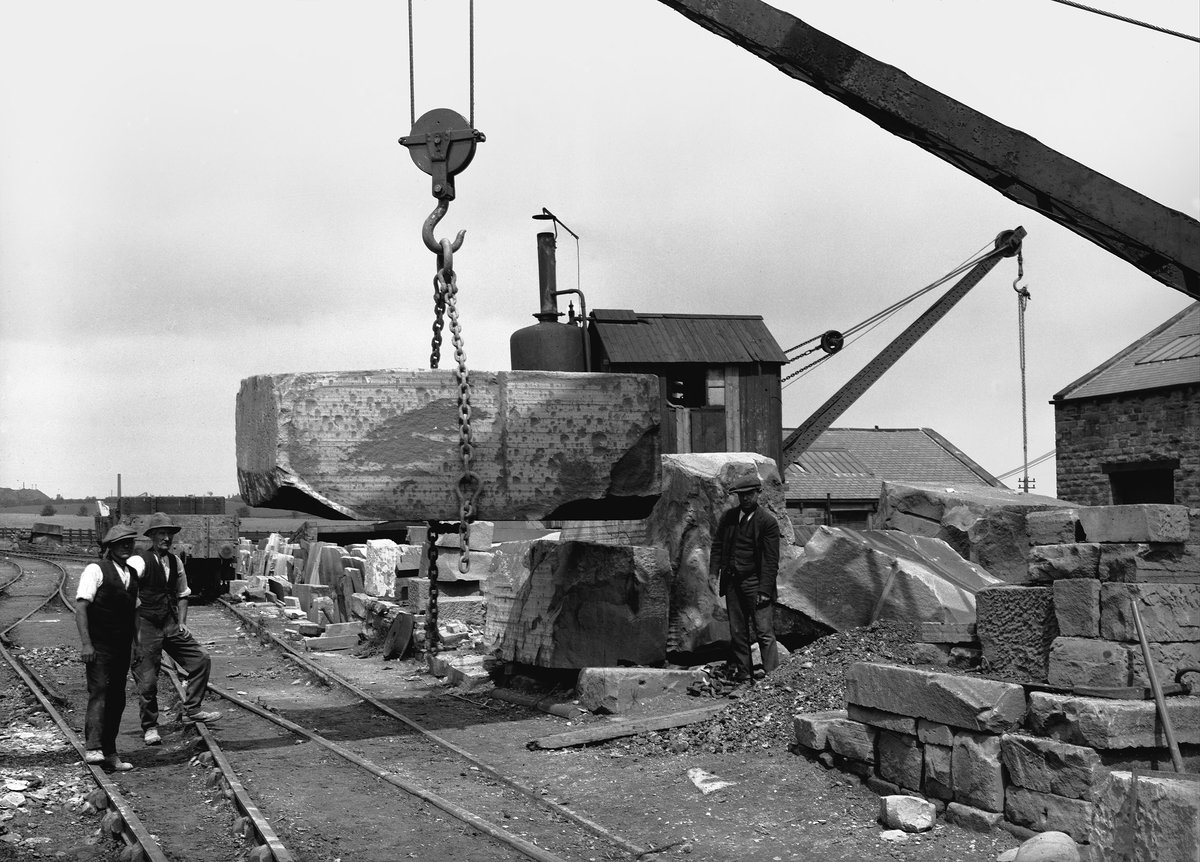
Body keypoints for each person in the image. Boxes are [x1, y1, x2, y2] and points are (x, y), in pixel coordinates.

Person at [130, 512, 220, 746]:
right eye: (161, 533)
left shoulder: (175, 561)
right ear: (151, 536)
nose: (166, 538)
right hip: (145, 624)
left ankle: (192, 709)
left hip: (169, 623)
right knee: (147, 679)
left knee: (200, 659)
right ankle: (150, 726)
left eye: (169, 534)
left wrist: (182, 622)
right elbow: (126, 590)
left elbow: (182, 594)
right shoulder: (139, 561)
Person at [75, 525, 140, 771]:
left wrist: (138, 645)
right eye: (121, 543)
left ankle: (110, 751)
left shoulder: (132, 573)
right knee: (99, 691)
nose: (126, 547)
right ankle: (93, 747)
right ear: (110, 547)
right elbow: (81, 608)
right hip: (99, 644)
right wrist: (86, 644)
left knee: (117, 696)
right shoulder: (95, 570)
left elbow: (135, 612)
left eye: (129, 542)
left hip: (121, 646)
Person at [711, 467, 781, 683]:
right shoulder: (729, 518)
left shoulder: (767, 522)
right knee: (738, 632)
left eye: (750, 494)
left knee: (764, 632)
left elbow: (771, 561)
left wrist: (764, 590)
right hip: (732, 583)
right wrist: (713, 572)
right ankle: (744, 676)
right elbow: (718, 546)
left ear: (758, 493)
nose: (745, 498)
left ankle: (772, 680)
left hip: (755, 583)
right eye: (741, 495)